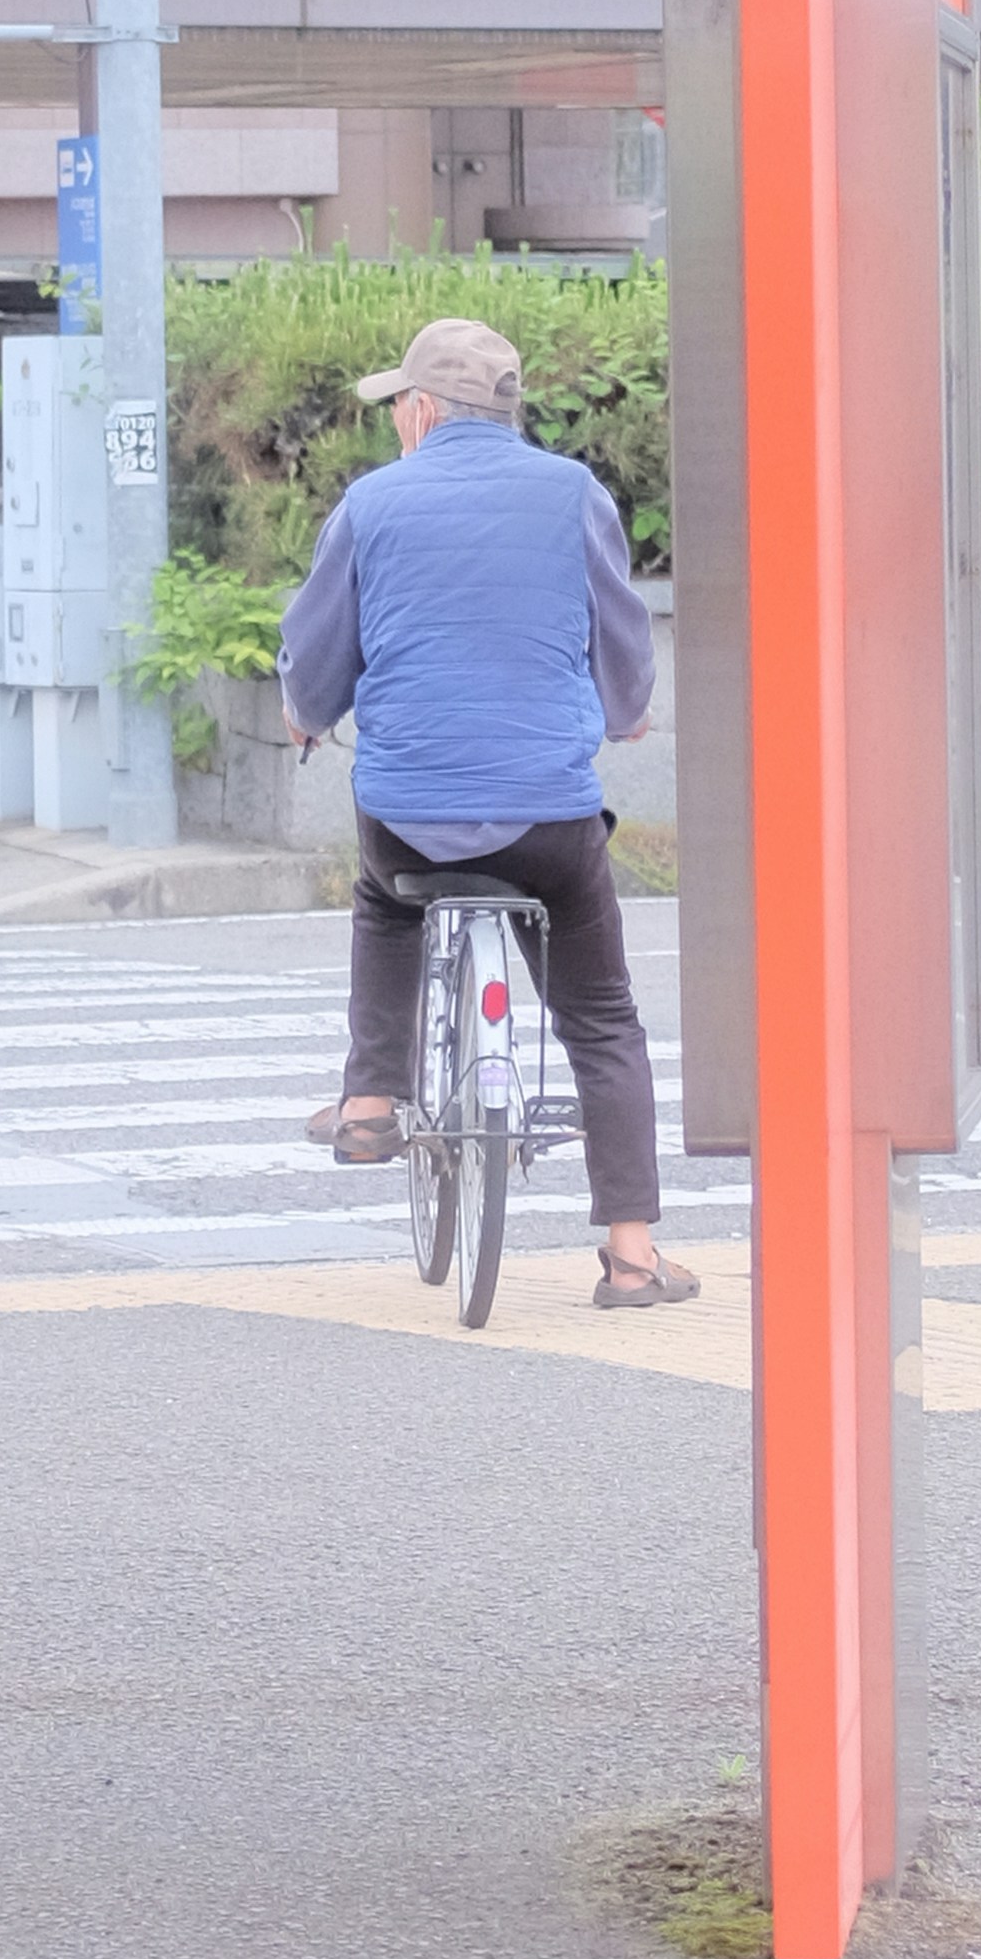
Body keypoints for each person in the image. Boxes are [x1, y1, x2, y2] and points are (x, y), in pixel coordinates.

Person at [275, 311, 695, 1309]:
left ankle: (371, 1100)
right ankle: (632, 1256)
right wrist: (627, 713)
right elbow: (622, 633)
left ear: (422, 412)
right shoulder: (573, 495)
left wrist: (305, 715)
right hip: (549, 820)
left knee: (385, 901)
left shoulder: (371, 505)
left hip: (410, 810)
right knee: (600, 1017)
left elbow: (319, 650)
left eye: (398, 410)